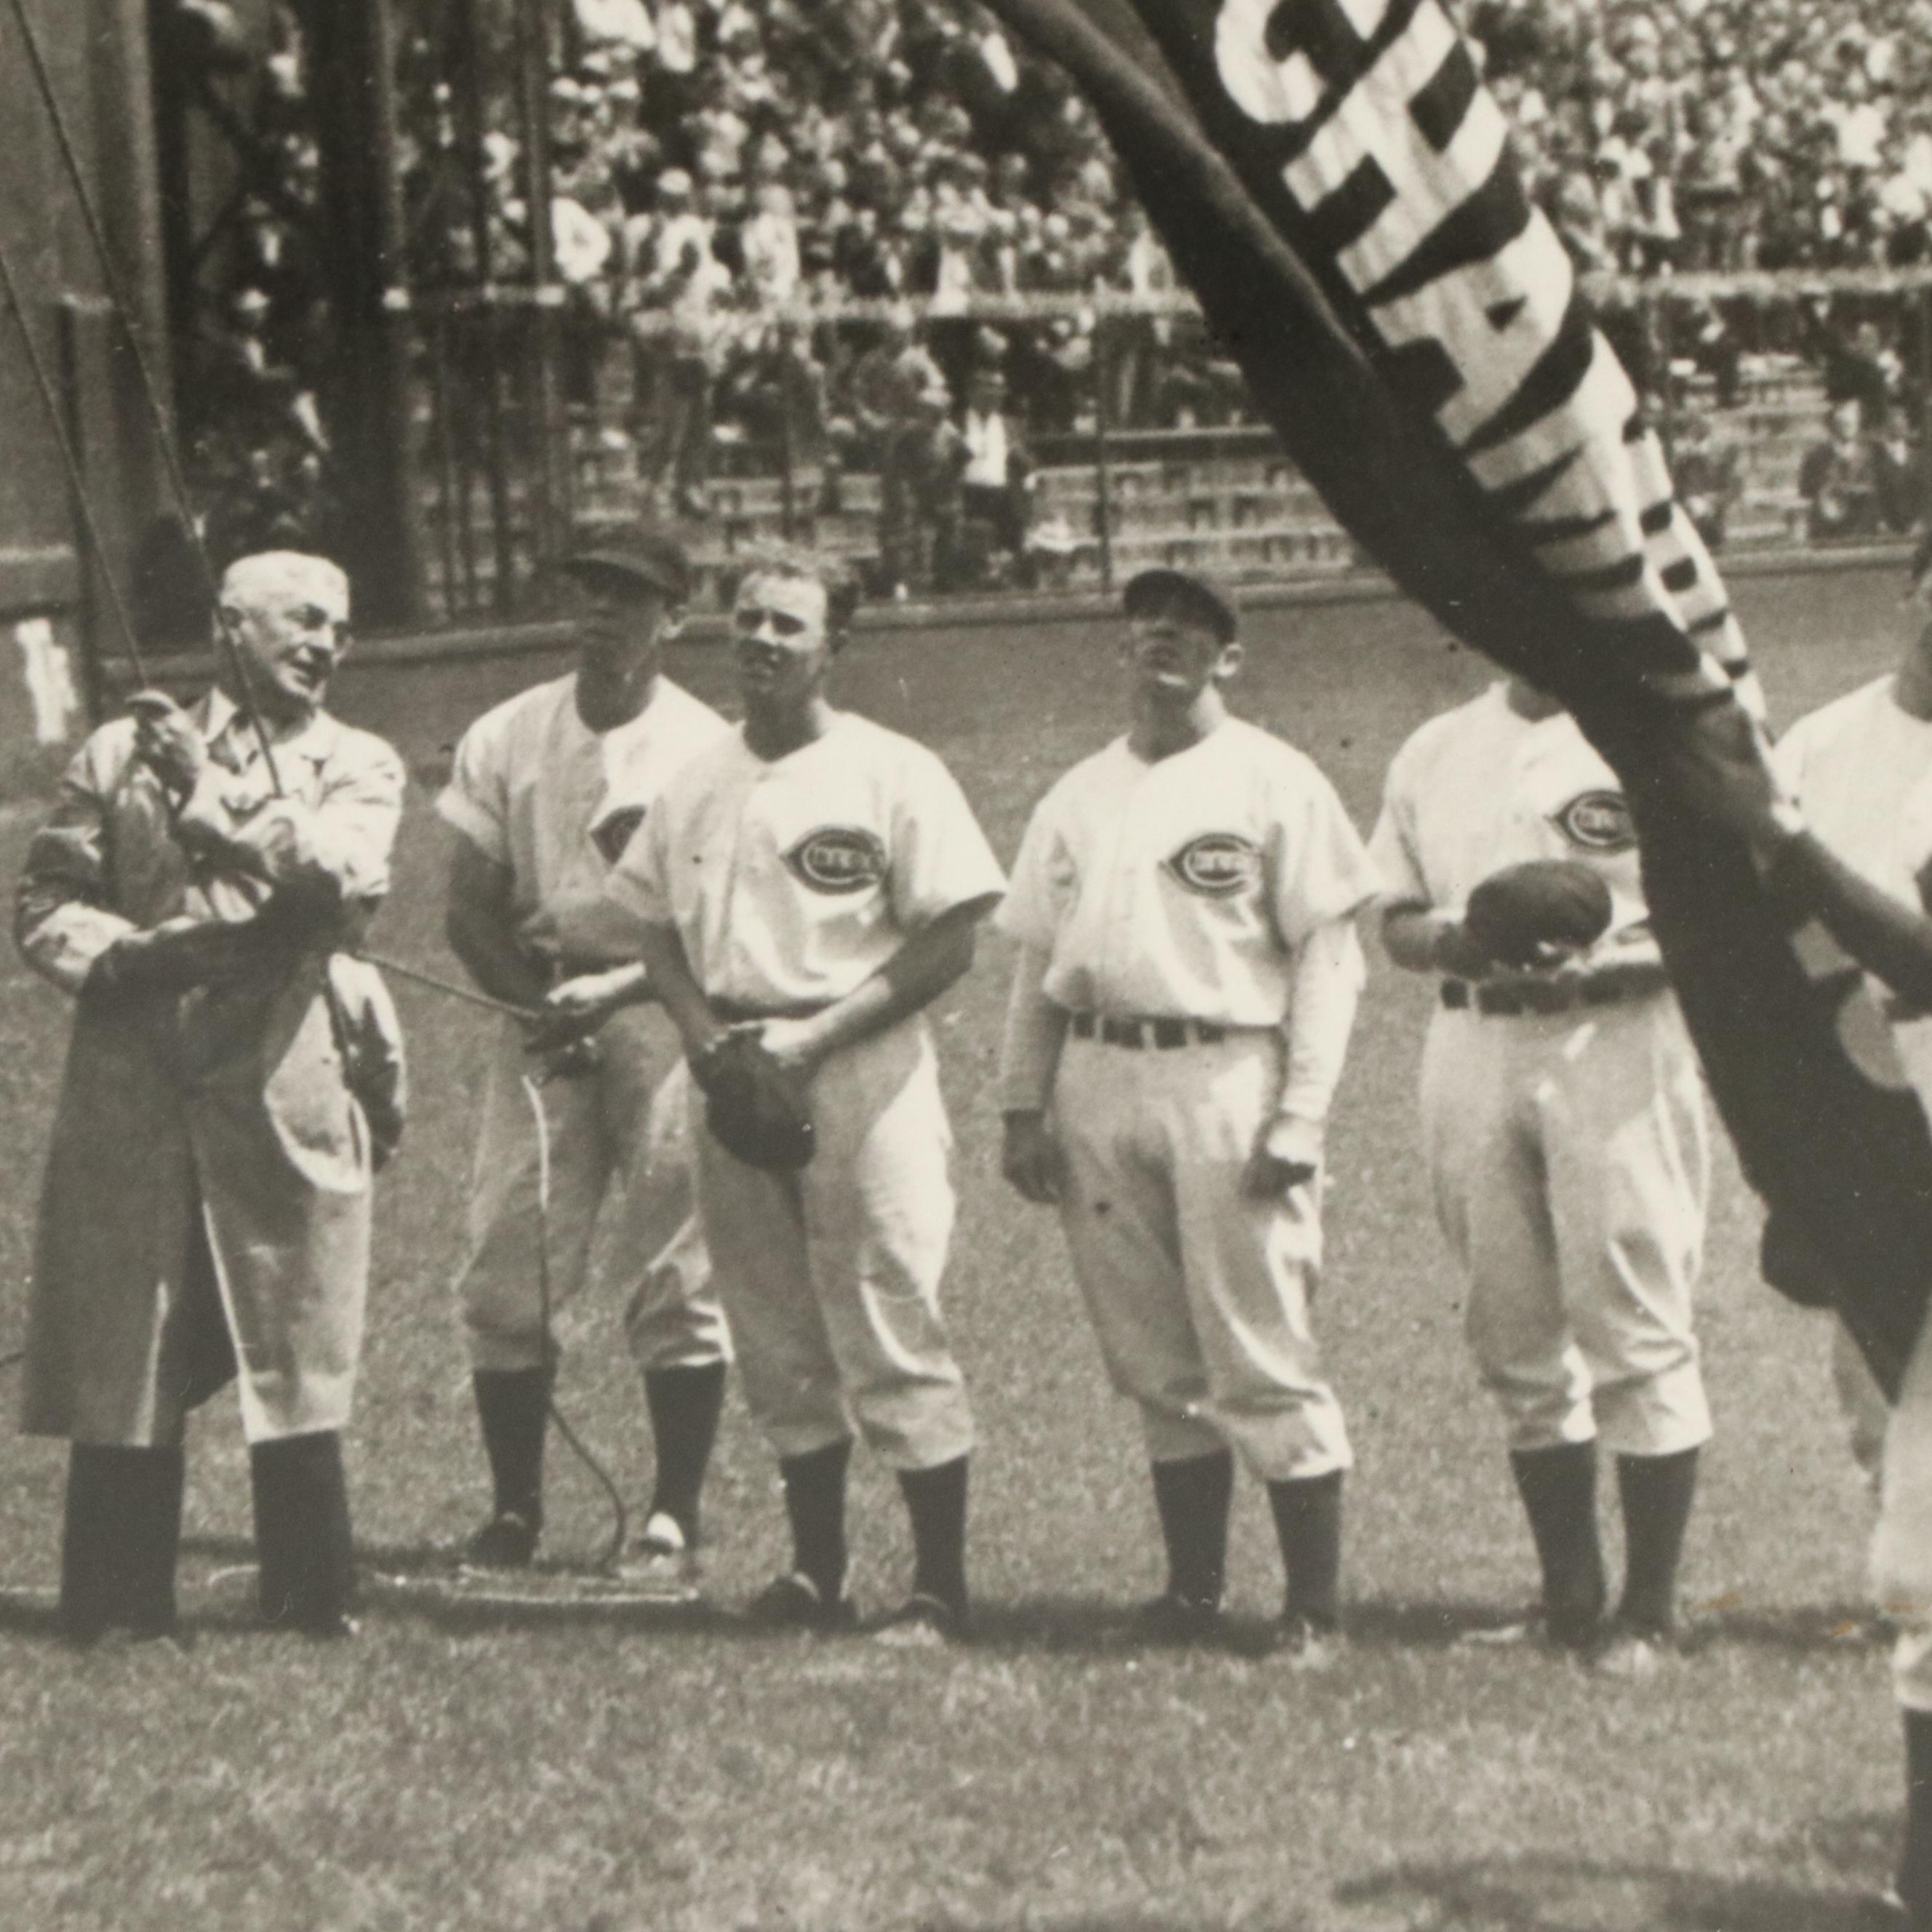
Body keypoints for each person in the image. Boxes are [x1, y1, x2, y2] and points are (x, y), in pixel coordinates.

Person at [607, 546, 1005, 1641]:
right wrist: (698, 1034)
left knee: (887, 1313)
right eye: (748, 619)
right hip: (732, 1057)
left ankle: (937, 1589)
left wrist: (816, 1037)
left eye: (789, 624)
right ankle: (816, 1573)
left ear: (839, 644)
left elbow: (954, 936)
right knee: (775, 1330)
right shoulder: (697, 776)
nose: (762, 641)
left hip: (858, 1064)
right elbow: (650, 923)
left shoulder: (893, 770)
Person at [16, 550, 406, 1644]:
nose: (330, 644)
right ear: (232, 625)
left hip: (283, 1077)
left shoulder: (357, 763)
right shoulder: (110, 750)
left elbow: (339, 885)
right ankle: (117, 1600)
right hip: (132, 1083)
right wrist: (128, 959)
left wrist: (204, 789)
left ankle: (306, 1595)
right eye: (307, 622)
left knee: (294, 1325)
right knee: (127, 1331)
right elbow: (47, 896)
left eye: (341, 628)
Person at [995, 569, 1376, 1662]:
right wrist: (1023, 1102)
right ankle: (1193, 1594)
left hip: (1227, 1072)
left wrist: (1301, 1117)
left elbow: (1329, 960)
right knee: (1154, 1355)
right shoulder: (1077, 793)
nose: (1163, 637)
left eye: (1192, 627)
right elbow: (1036, 968)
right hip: (1101, 1074)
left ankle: (1315, 1609)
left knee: (1261, 1342)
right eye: (1146, 623)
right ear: (1124, 646)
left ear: (1229, 657)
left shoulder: (1274, 780)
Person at [1661, 610, 1932, 1928]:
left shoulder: (1801, 799)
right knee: (1917, 1531)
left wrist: (1785, 842)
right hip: (1885, 1169)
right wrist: (1801, 1173)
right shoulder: (1827, 745)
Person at [1368, 672, 1712, 1675]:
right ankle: (1569, 1596)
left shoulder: (1648, 738)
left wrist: (1613, 961)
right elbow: (1392, 915)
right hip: (1473, 1042)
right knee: (1512, 1324)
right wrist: (1455, 942)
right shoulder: (1435, 746)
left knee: (1636, 1314)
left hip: (1618, 1038)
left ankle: (1650, 1612)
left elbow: (1718, 910)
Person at [436, 527, 732, 1585]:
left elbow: (720, 932)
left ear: (675, 620)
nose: (604, 614)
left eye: (631, 598)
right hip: (539, 1014)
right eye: (591, 592)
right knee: (507, 1264)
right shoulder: (511, 732)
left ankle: (672, 1515)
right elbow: (467, 908)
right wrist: (537, 1010)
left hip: (659, 1013)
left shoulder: (709, 750)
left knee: (674, 1265)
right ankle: (515, 1512)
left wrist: (620, 996)